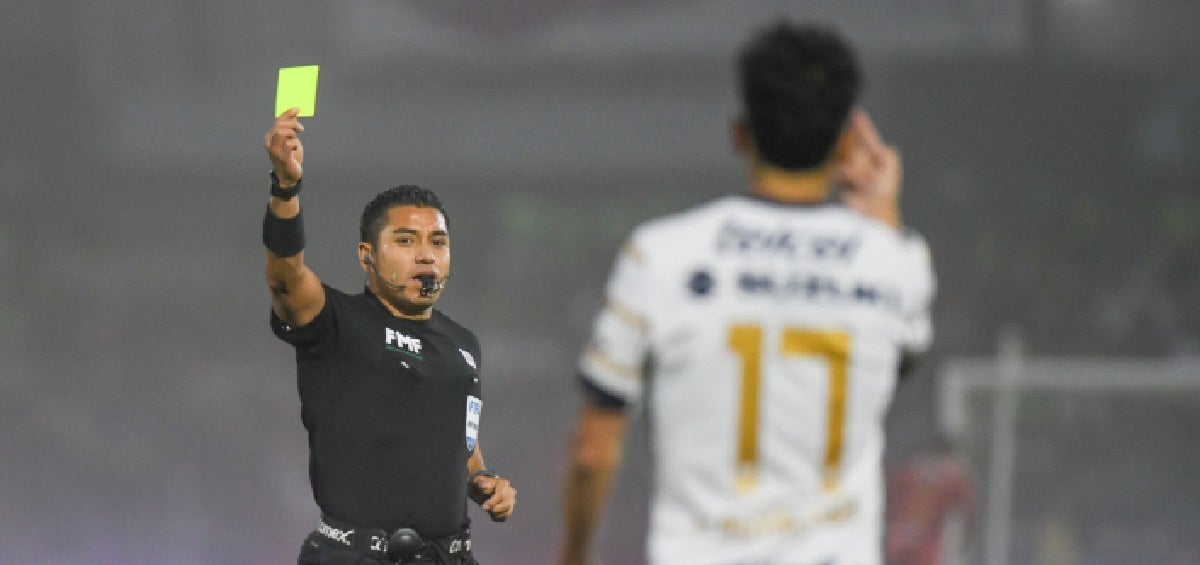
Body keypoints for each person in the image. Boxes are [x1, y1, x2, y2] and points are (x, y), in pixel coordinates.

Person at [560, 20, 935, 564]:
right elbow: (893, 367)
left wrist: (573, 554)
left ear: (740, 133)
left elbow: (593, 450)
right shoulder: (896, 263)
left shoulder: (661, 255)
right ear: (844, 145)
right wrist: (883, 217)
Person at [263, 107, 516, 564]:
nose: (426, 255)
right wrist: (285, 188)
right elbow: (285, 278)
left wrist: (483, 481)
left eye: (437, 242)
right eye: (405, 240)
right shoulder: (337, 322)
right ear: (367, 256)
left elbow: (462, 441)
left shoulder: (463, 344)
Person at [885, 436, 975, 565]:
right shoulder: (951, 478)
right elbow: (966, 505)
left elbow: (889, 493)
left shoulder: (908, 471)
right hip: (923, 538)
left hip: (903, 534)